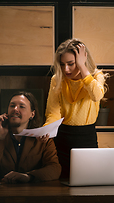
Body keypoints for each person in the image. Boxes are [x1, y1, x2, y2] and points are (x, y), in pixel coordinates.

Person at [43, 38, 109, 178]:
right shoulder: (57, 79)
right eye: (62, 64)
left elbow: (96, 95)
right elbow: (53, 111)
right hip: (63, 137)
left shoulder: (96, 76)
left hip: (87, 137)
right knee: (61, 183)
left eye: (71, 64)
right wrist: (48, 129)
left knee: (88, 182)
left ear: (82, 60)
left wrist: (82, 67)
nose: (66, 69)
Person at [0, 91, 61, 183]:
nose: (15, 109)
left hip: (33, 192)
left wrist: (28, 176)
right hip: (2, 191)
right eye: (12, 106)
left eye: (22, 106)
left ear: (32, 114)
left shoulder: (43, 139)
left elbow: (55, 169)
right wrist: (0, 138)